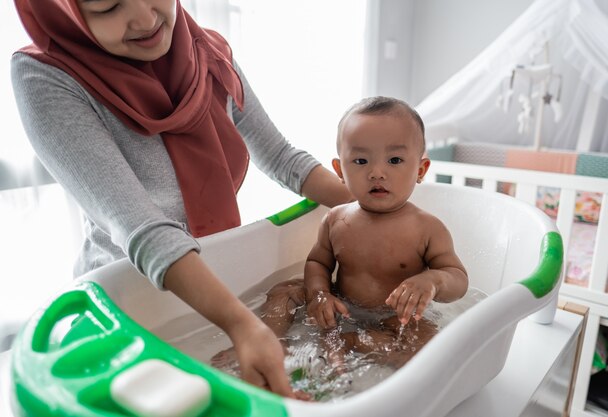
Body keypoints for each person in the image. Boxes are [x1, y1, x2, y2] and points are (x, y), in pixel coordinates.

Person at [11, 0, 352, 397]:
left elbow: (281, 157)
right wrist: (242, 325)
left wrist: (372, 211)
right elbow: (142, 227)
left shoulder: (207, 52)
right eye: (107, 7)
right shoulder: (47, 76)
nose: (145, 18)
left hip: (216, 284)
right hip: (128, 309)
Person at [303, 96, 469, 368]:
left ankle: (354, 342)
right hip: (342, 311)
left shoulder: (427, 228)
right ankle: (265, 349)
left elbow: (458, 280)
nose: (376, 172)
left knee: (433, 352)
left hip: (397, 319)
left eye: (394, 160)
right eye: (360, 161)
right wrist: (320, 294)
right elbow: (317, 262)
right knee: (282, 295)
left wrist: (433, 281)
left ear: (420, 169)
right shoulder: (334, 219)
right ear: (339, 170)